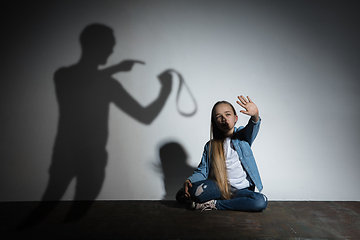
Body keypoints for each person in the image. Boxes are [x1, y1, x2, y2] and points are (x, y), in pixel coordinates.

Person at [176, 95, 267, 212]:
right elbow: (203, 170)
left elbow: (253, 127)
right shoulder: (210, 146)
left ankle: (215, 204)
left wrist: (255, 115)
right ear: (215, 122)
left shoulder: (243, 137)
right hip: (220, 187)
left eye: (228, 114)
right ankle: (189, 192)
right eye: (219, 116)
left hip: (242, 190)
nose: (224, 118)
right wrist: (190, 181)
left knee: (260, 201)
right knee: (196, 192)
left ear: (236, 118)